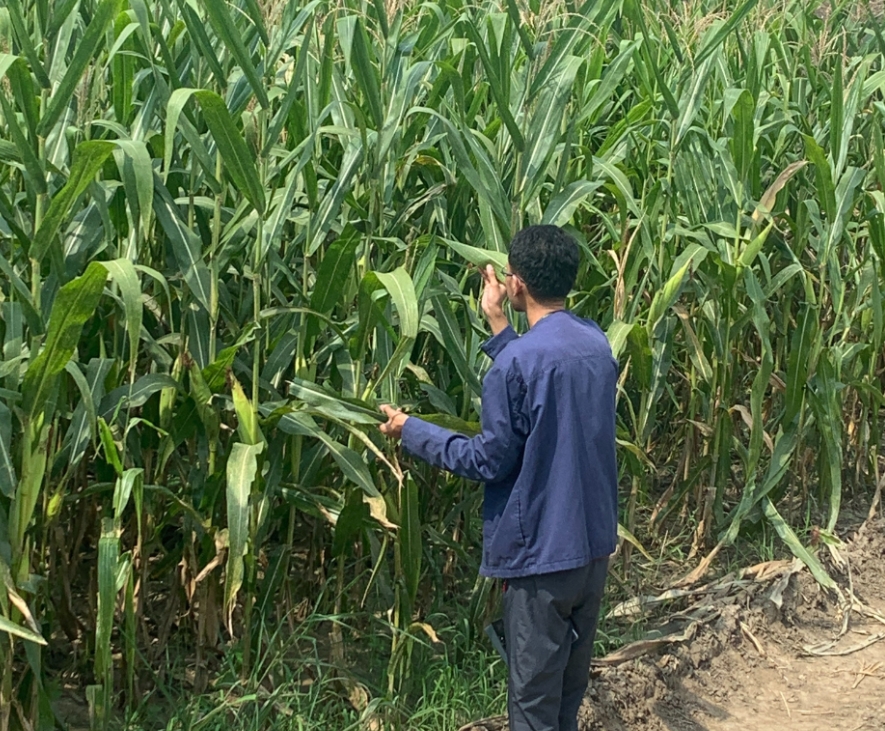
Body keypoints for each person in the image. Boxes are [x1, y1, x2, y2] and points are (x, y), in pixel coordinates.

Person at [379, 224, 619, 731]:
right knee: (566, 696)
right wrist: (498, 326)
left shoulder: (511, 368)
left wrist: (411, 430)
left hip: (540, 561)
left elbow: (488, 460)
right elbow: (542, 374)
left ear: (517, 286)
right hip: (592, 549)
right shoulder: (597, 345)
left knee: (532, 706)